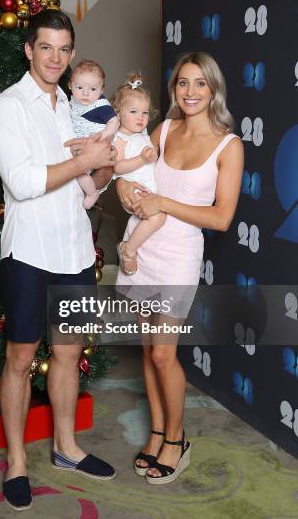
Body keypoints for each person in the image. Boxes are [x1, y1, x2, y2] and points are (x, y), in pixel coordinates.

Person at [0, 9, 116, 511]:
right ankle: (17, 460)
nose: (56, 58)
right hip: (30, 253)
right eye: (46, 48)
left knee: (66, 353)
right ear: (28, 50)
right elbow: (22, 183)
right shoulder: (8, 107)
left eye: (64, 49)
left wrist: (100, 169)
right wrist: (82, 161)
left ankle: (66, 447)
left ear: (72, 53)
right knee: (20, 358)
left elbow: (96, 182)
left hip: (76, 250)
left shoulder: (78, 106)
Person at [116, 52, 244, 485]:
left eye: (200, 84)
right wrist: (127, 190)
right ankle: (155, 432)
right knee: (148, 351)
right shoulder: (164, 129)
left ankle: (176, 439)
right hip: (142, 249)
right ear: (174, 89)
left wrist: (163, 203)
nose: (190, 92)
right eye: (182, 83)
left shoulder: (230, 145)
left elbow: (222, 218)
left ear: (214, 89)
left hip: (178, 256)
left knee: (164, 352)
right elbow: (132, 171)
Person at [112, 73, 166, 275]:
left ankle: (131, 247)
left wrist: (151, 156)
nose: (141, 118)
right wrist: (142, 159)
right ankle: (128, 249)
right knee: (158, 218)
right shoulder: (119, 138)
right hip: (134, 187)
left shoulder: (142, 135)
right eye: (133, 111)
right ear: (118, 113)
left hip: (146, 187)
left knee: (157, 219)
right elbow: (117, 168)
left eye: (144, 113)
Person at [69, 60, 120, 209]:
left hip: (96, 145)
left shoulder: (101, 106)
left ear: (102, 89)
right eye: (79, 87)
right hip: (79, 146)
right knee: (75, 170)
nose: (85, 93)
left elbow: (114, 122)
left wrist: (103, 137)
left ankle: (92, 193)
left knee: (78, 170)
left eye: (93, 89)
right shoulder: (71, 102)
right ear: (70, 85)